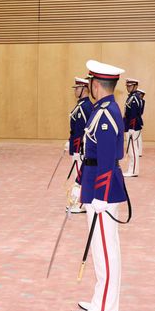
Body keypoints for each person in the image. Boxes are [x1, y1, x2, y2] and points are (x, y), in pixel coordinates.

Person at [72, 60, 128, 311]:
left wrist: (100, 196)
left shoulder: (106, 113)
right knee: (102, 247)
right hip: (95, 185)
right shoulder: (102, 108)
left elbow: (105, 158)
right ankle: (101, 298)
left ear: (95, 84)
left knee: (105, 248)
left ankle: (106, 306)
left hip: (102, 191)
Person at [66, 78, 93, 214]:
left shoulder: (85, 107)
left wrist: (76, 148)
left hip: (81, 148)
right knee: (79, 176)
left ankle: (81, 203)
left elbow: (83, 130)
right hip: (77, 146)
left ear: (84, 89)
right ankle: (77, 201)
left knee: (81, 176)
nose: (75, 90)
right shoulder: (81, 105)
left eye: (77, 88)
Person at [123, 78, 142, 177]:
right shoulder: (131, 97)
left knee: (133, 150)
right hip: (130, 126)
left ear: (135, 86)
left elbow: (134, 115)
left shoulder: (134, 98)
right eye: (127, 86)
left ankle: (134, 171)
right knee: (131, 150)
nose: (128, 88)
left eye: (130, 86)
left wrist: (132, 128)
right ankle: (131, 169)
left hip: (133, 127)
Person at [137, 89, 146, 157]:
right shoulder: (140, 101)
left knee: (138, 137)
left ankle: (139, 152)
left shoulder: (141, 101)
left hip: (138, 121)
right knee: (137, 137)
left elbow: (140, 112)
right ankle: (138, 151)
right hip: (137, 121)